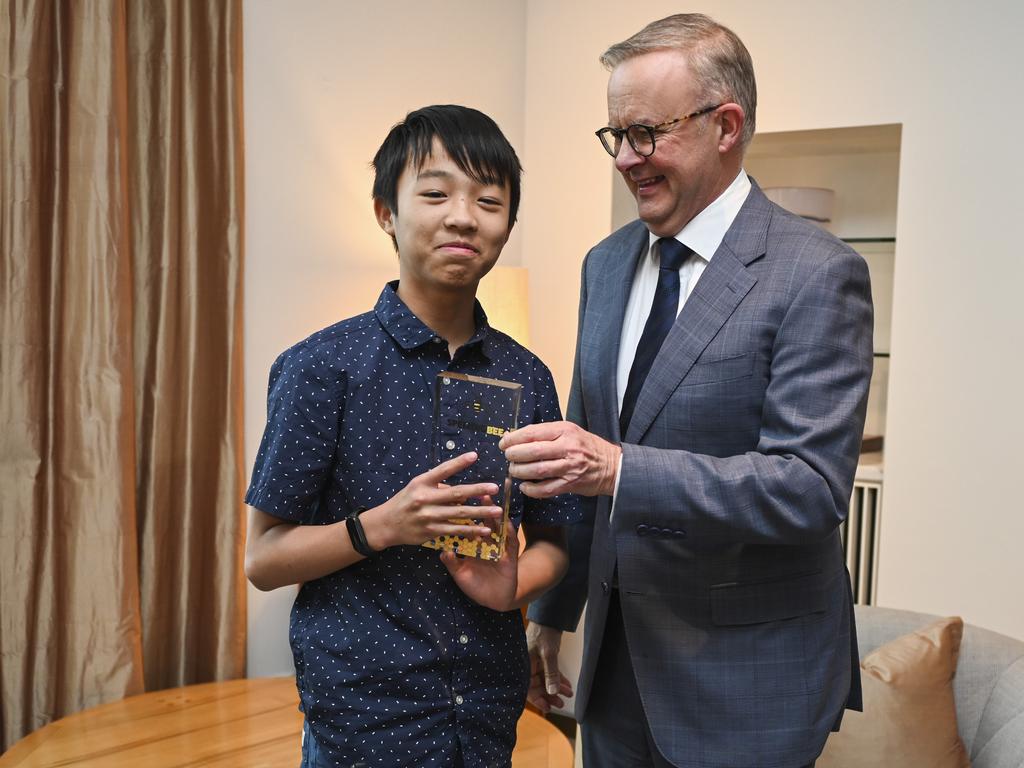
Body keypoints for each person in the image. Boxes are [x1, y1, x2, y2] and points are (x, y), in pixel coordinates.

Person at [501, 14, 873, 768]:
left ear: (726, 124)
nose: (625, 159)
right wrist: (552, 614)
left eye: (645, 134)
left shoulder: (815, 272)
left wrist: (620, 469)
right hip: (612, 672)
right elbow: (584, 446)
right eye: (615, 137)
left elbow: (807, 488)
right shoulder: (604, 266)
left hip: (746, 682)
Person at [244, 104, 578, 768]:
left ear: (507, 225)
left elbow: (555, 540)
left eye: (488, 199)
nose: (462, 215)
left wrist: (512, 587)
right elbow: (263, 560)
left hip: (484, 712)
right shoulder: (321, 367)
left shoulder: (528, 375)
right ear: (386, 212)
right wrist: (381, 527)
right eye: (435, 193)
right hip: (362, 717)